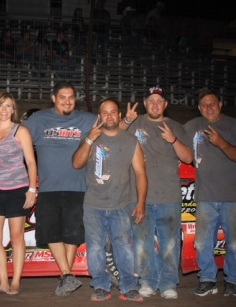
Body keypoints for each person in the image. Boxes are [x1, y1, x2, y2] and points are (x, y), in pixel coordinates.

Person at [23, 81, 137, 296]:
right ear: (54, 98)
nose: (67, 101)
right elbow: (18, 142)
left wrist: (128, 121)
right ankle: (67, 274)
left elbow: (113, 128)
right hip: (48, 187)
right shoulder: (37, 120)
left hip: (79, 187)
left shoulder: (86, 119)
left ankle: (66, 276)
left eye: (71, 97)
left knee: (73, 234)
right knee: (51, 232)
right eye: (63, 97)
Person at [72, 98, 147, 302]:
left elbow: (140, 173)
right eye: (104, 113)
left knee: (123, 246)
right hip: (93, 205)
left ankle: (129, 286)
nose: (109, 116)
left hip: (121, 205)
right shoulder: (92, 138)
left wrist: (140, 202)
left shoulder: (131, 141)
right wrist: (89, 139)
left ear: (120, 115)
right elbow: (76, 164)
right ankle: (100, 286)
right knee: (95, 247)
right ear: (99, 117)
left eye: (113, 112)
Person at [127, 87, 193, 299]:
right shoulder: (134, 124)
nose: (155, 104)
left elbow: (188, 158)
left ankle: (168, 284)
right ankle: (146, 281)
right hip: (140, 198)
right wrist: (127, 121)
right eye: (151, 101)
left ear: (165, 104)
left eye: (159, 101)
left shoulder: (176, 127)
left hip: (169, 196)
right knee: (141, 243)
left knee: (170, 243)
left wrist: (173, 139)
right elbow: (112, 133)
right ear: (145, 103)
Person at [184, 88, 236, 298]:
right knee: (202, 241)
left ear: (220, 104)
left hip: (234, 197)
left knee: (235, 242)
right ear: (199, 108)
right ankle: (208, 280)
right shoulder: (194, 125)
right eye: (204, 105)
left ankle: (232, 281)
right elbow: (171, 133)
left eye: (212, 104)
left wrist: (221, 142)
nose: (208, 108)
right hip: (206, 197)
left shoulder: (233, 125)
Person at [0, 92, 37, 296]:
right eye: (0, 106)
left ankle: (15, 282)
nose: (4, 110)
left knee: (16, 238)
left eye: (8, 106)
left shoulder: (20, 130)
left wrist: (31, 190)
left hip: (17, 189)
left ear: (13, 110)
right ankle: (3, 282)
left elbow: (31, 162)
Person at [92, 0, 111, 65]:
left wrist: (99, 21)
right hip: (96, 32)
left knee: (105, 49)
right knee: (94, 48)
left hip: (104, 32)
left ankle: (104, 64)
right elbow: (93, 21)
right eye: (100, 2)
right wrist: (103, 21)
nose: (101, 4)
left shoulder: (106, 12)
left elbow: (108, 21)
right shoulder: (93, 11)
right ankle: (93, 63)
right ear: (97, 3)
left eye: (102, 2)